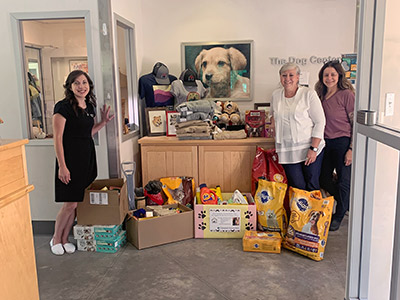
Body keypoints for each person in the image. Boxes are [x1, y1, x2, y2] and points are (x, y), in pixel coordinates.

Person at [50, 70, 114, 255]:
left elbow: (87, 133)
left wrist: (103, 122)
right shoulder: (62, 107)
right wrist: (62, 166)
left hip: (86, 158)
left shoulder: (89, 106)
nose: (81, 86)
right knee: (69, 203)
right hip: (69, 160)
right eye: (77, 83)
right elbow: (58, 138)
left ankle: (65, 239)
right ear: (70, 86)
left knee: (76, 203)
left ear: (89, 85)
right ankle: (55, 238)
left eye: (84, 82)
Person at [270, 62, 326, 191]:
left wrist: (314, 148)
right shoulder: (276, 95)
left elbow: (320, 121)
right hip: (287, 150)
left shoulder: (308, 94)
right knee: (297, 186)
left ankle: (314, 211)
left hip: (309, 148)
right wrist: (272, 123)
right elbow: (272, 113)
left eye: (291, 75)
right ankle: (299, 212)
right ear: (280, 77)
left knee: (312, 185)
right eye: (284, 75)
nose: (287, 79)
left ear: (298, 77)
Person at [315, 61, 355, 231]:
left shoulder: (347, 95)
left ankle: (338, 215)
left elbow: (356, 124)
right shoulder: (320, 95)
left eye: (332, 74)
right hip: (325, 142)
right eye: (326, 75)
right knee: (323, 178)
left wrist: (351, 149)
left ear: (339, 76)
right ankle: (345, 203)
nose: (329, 78)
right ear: (322, 77)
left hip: (342, 141)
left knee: (344, 181)